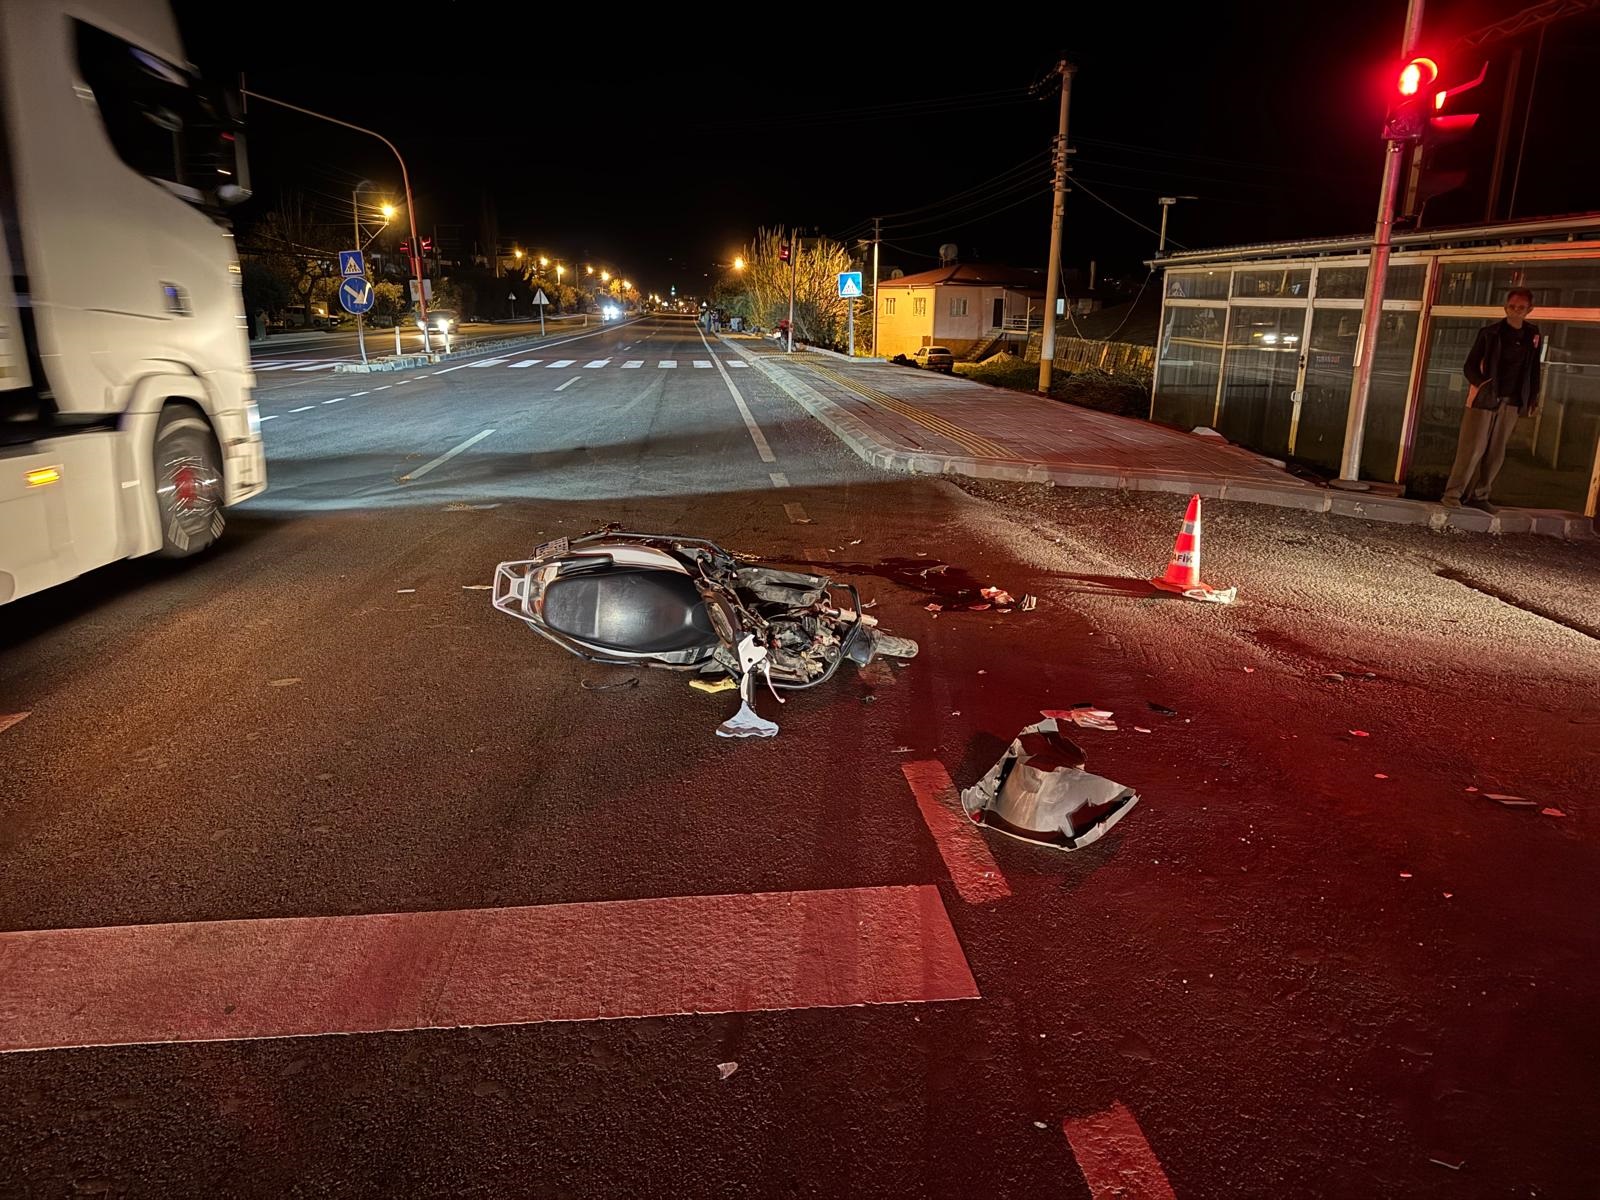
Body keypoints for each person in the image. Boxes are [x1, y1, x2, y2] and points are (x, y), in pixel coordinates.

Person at [1440, 287, 1542, 511]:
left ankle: (1480, 495)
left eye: (1521, 308)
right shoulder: (1491, 333)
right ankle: (1452, 495)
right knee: (1472, 447)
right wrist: (1482, 384)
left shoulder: (1532, 336)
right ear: (1505, 307)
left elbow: (1534, 369)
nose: (1516, 311)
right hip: (1485, 399)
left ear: (1529, 310)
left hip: (1513, 401)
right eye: (1512, 307)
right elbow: (1469, 366)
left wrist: (1533, 397)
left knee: (1496, 451)